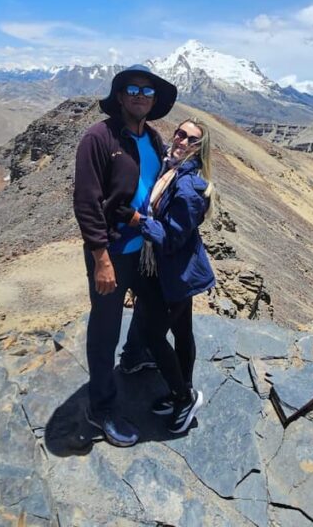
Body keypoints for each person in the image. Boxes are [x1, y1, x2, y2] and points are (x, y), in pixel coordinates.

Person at [73, 64, 177, 447]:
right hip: (113, 251)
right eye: (132, 89)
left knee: (154, 307)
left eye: (147, 91)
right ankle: (100, 407)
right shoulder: (98, 138)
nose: (140, 96)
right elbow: (86, 202)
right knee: (105, 329)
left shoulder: (153, 138)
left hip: (145, 250)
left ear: (154, 100)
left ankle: (134, 355)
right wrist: (100, 257)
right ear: (119, 96)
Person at [120, 117, 216, 434]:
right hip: (175, 271)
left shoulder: (188, 189)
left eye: (191, 139)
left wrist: (137, 220)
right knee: (182, 331)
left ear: (199, 149)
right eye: (179, 133)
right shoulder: (170, 169)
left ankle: (184, 397)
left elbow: (170, 238)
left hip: (175, 274)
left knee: (153, 335)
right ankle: (181, 389)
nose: (181, 141)